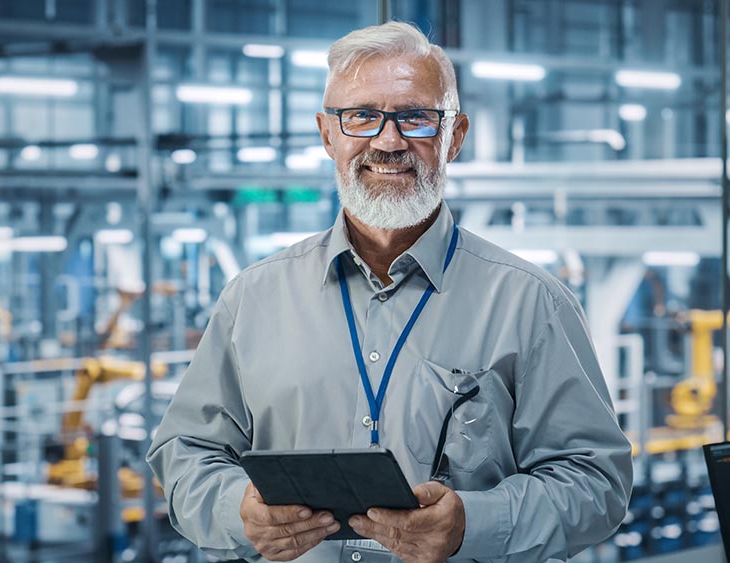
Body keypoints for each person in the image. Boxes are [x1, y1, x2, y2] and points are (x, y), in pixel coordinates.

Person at [148, 21, 633, 563]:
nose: (388, 140)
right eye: (361, 116)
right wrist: (235, 508)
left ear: (455, 136)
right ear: (327, 134)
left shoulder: (530, 301)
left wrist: (474, 523)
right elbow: (185, 451)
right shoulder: (253, 298)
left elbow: (596, 482)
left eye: (416, 117)